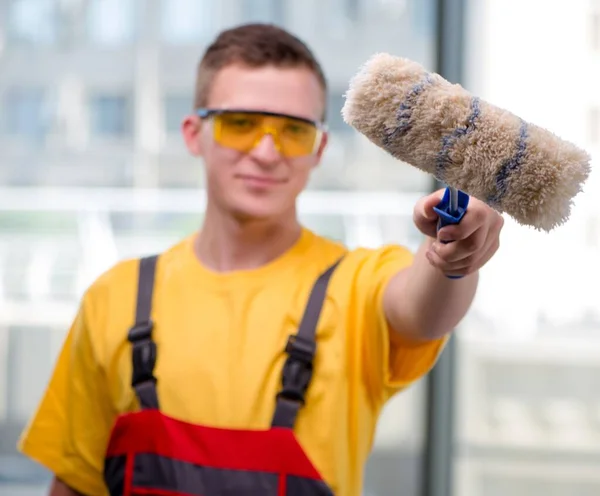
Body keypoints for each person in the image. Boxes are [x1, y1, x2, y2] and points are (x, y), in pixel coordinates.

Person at [18, 23, 504, 496]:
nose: (267, 152)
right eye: (241, 124)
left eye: (293, 130)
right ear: (193, 133)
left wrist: (454, 259)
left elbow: (422, 310)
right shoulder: (116, 297)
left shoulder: (355, 284)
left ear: (319, 149)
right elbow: (75, 483)